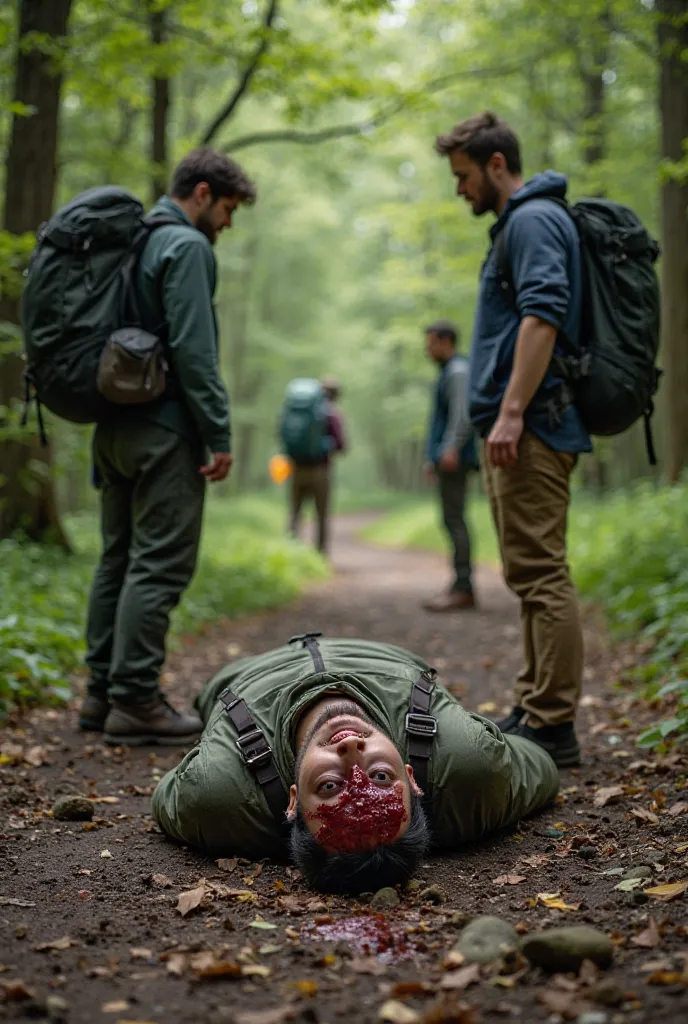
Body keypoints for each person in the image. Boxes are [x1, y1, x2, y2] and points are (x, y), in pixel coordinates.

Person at [80, 148, 257, 746]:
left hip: (113, 428)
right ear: (202, 193)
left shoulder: (132, 241)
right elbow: (194, 351)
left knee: (117, 558)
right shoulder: (186, 247)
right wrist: (218, 432)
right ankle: (134, 701)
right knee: (157, 564)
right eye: (228, 208)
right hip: (164, 431)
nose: (228, 223)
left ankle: (100, 693)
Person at [152, 634, 559, 894]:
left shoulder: (218, 794)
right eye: (382, 777)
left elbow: (167, 794)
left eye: (329, 786)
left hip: (244, 673)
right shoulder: (468, 765)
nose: (351, 755)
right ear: (413, 778)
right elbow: (540, 761)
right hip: (381, 650)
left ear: (291, 802)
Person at [434, 111, 592, 768]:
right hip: (526, 425)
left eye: (464, 176)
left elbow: (543, 314)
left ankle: (554, 724)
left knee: (542, 572)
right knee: (529, 572)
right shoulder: (523, 222)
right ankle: (535, 704)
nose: (460, 189)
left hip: (534, 424)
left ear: (497, 165)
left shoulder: (530, 220)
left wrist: (511, 411)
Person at [422, 319, 479, 612]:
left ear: (446, 341)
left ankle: (464, 587)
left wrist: (451, 448)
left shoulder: (457, 371)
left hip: (455, 458)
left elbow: (462, 413)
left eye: (431, 342)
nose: (427, 349)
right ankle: (459, 584)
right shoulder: (449, 371)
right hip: (447, 457)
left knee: (455, 519)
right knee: (451, 518)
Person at [289, 376, 346, 554]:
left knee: (295, 512)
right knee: (321, 514)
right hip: (321, 470)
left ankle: (291, 549)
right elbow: (341, 445)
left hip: (296, 468)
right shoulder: (332, 415)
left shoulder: (295, 411)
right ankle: (320, 554)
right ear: (336, 395)